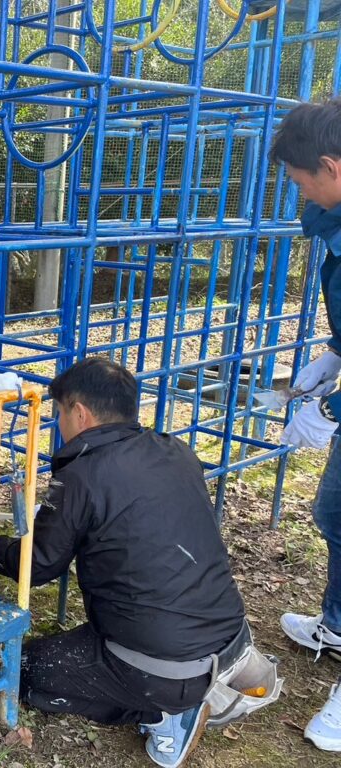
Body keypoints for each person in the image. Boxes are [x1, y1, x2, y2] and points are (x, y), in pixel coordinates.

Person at [0, 357, 250, 768]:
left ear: (79, 412)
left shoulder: (85, 474)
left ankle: (166, 712)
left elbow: (40, 565)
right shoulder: (177, 450)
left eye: (59, 413)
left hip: (168, 667)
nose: (59, 424)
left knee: (24, 669)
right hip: (229, 638)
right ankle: (183, 687)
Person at [269, 97, 341, 753]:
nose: (298, 192)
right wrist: (335, 355)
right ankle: (339, 625)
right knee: (335, 512)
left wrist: (329, 411)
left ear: (330, 166)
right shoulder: (334, 217)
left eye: (299, 179)